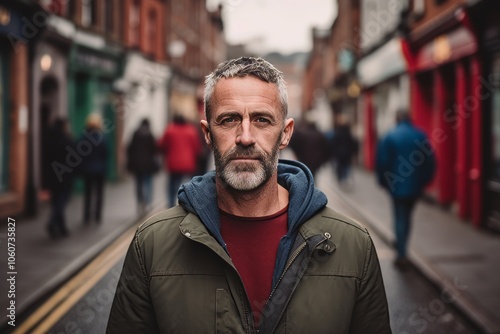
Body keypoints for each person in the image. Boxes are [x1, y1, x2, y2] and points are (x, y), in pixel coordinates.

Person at [107, 57, 391, 333]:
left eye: (262, 120)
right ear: (207, 134)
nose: (245, 137)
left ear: (285, 133)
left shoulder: (353, 246)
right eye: (229, 120)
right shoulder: (152, 245)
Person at [375, 110, 436, 267]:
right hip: (415, 186)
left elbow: (382, 162)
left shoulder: (390, 136)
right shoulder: (420, 135)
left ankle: (401, 253)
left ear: (397, 119)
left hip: (396, 185)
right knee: (407, 217)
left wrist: (383, 182)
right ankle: (402, 247)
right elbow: (430, 162)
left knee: (399, 216)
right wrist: (424, 182)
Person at [157, 114, 201, 208]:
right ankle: (190, 203)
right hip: (188, 163)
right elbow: (197, 148)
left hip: (173, 163)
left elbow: (161, 145)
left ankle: (171, 203)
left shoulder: (169, 130)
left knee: (172, 184)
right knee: (189, 184)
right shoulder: (191, 131)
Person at [45, 118, 75, 238]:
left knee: (57, 201)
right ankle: (52, 223)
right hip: (65, 176)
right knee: (62, 201)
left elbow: (46, 159)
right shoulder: (67, 140)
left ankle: (62, 228)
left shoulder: (50, 140)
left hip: (53, 176)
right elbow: (74, 159)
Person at [79, 113, 108, 225]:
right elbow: (106, 153)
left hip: (87, 170)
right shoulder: (102, 137)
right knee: (99, 193)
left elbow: (79, 154)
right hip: (100, 169)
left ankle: (86, 217)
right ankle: (97, 216)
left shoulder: (84, 137)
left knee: (88, 193)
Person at [126, 118, 159, 214]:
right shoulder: (150, 135)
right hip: (148, 164)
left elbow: (130, 149)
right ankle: (147, 202)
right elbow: (154, 150)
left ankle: (140, 201)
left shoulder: (135, 134)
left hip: (137, 164)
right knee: (148, 183)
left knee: (138, 184)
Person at [330, 114, 359, 185]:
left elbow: (334, 143)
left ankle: (341, 177)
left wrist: (333, 152)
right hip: (347, 152)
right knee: (346, 165)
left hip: (339, 153)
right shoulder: (348, 132)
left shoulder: (337, 131)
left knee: (340, 165)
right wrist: (355, 152)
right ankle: (344, 178)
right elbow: (353, 142)